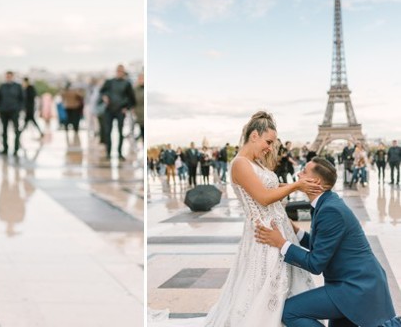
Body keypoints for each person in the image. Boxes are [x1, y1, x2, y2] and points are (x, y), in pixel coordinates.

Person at [149, 113, 320, 327]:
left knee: (279, 287)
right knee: (265, 287)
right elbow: (264, 198)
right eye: (268, 142)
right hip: (263, 235)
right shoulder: (240, 164)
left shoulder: (255, 163)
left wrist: (291, 212)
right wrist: (296, 186)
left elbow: (272, 189)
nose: (269, 147)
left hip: (276, 232)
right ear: (254, 136)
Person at [256, 151, 395, 325]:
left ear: (316, 182)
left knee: (289, 311)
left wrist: (281, 243)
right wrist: (296, 230)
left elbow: (315, 264)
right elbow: (323, 244)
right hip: (351, 282)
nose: (299, 174)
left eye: (304, 172)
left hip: (355, 287)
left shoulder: (331, 210)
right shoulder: (327, 202)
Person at [0, 73, 23, 156]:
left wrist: (19, 109)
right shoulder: (2, 86)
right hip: (4, 111)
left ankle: (16, 148)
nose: (8, 78)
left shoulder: (17, 86)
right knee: (4, 130)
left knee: (16, 130)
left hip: (14, 111)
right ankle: (5, 148)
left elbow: (22, 98)